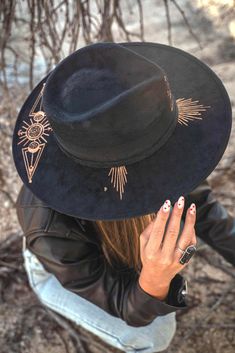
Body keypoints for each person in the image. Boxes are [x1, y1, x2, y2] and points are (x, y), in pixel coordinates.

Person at [12, 42, 234, 353]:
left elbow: (204, 207)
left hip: (118, 247)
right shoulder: (48, 221)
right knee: (153, 335)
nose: (169, 165)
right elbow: (123, 305)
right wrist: (155, 279)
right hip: (62, 269)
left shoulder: (153, 133)